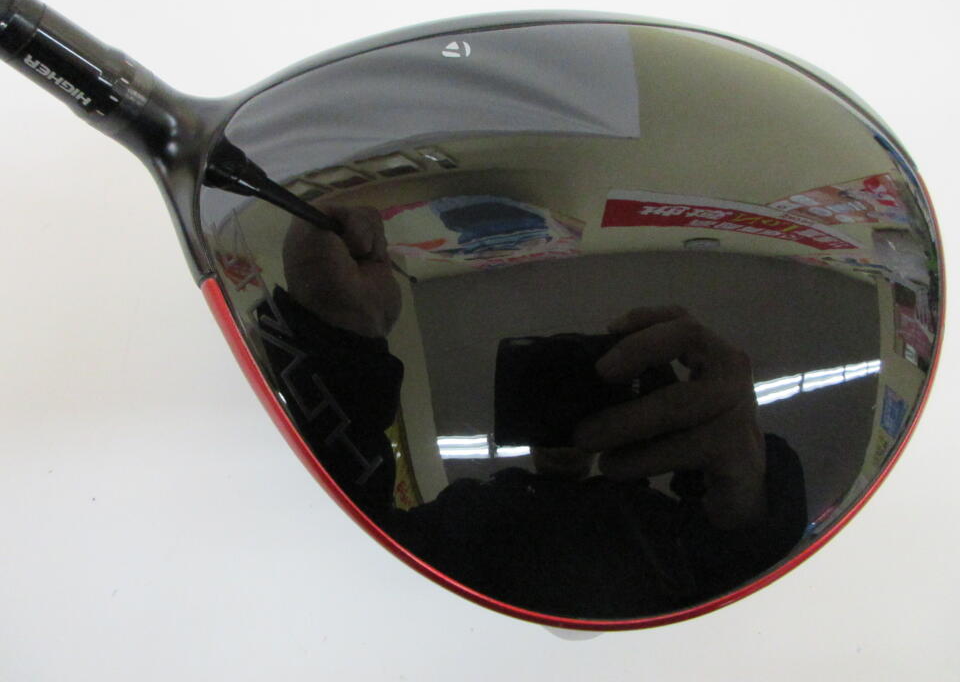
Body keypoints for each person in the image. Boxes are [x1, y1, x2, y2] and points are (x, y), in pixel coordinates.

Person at [256, 206, 806, 618]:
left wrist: (752, 501)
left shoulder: (672, 526)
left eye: (580, 386)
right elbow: (356, 555)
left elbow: (753, 606)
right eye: (545, 385)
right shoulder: (468, 513)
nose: (561, 405)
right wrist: (347, 335)